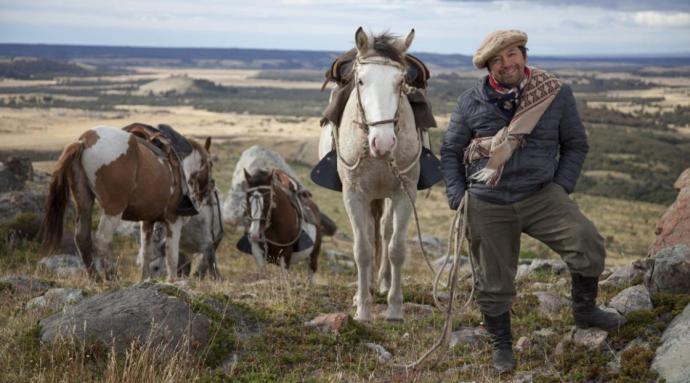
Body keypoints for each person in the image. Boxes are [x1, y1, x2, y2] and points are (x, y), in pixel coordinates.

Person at [440, 30, 625, 373]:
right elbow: (450, 151)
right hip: (487, 199)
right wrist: (457, 197)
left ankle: (585, 311)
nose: (506, 63)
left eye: (512, 54)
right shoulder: (470, 100)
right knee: (493, 279)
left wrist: (560, 187)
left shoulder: (554, 93)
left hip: (541, 194)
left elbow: (575, 145)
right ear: (488, 67)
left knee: (586, 241)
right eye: (497, 59)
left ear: (524, 55)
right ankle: (502, 345)